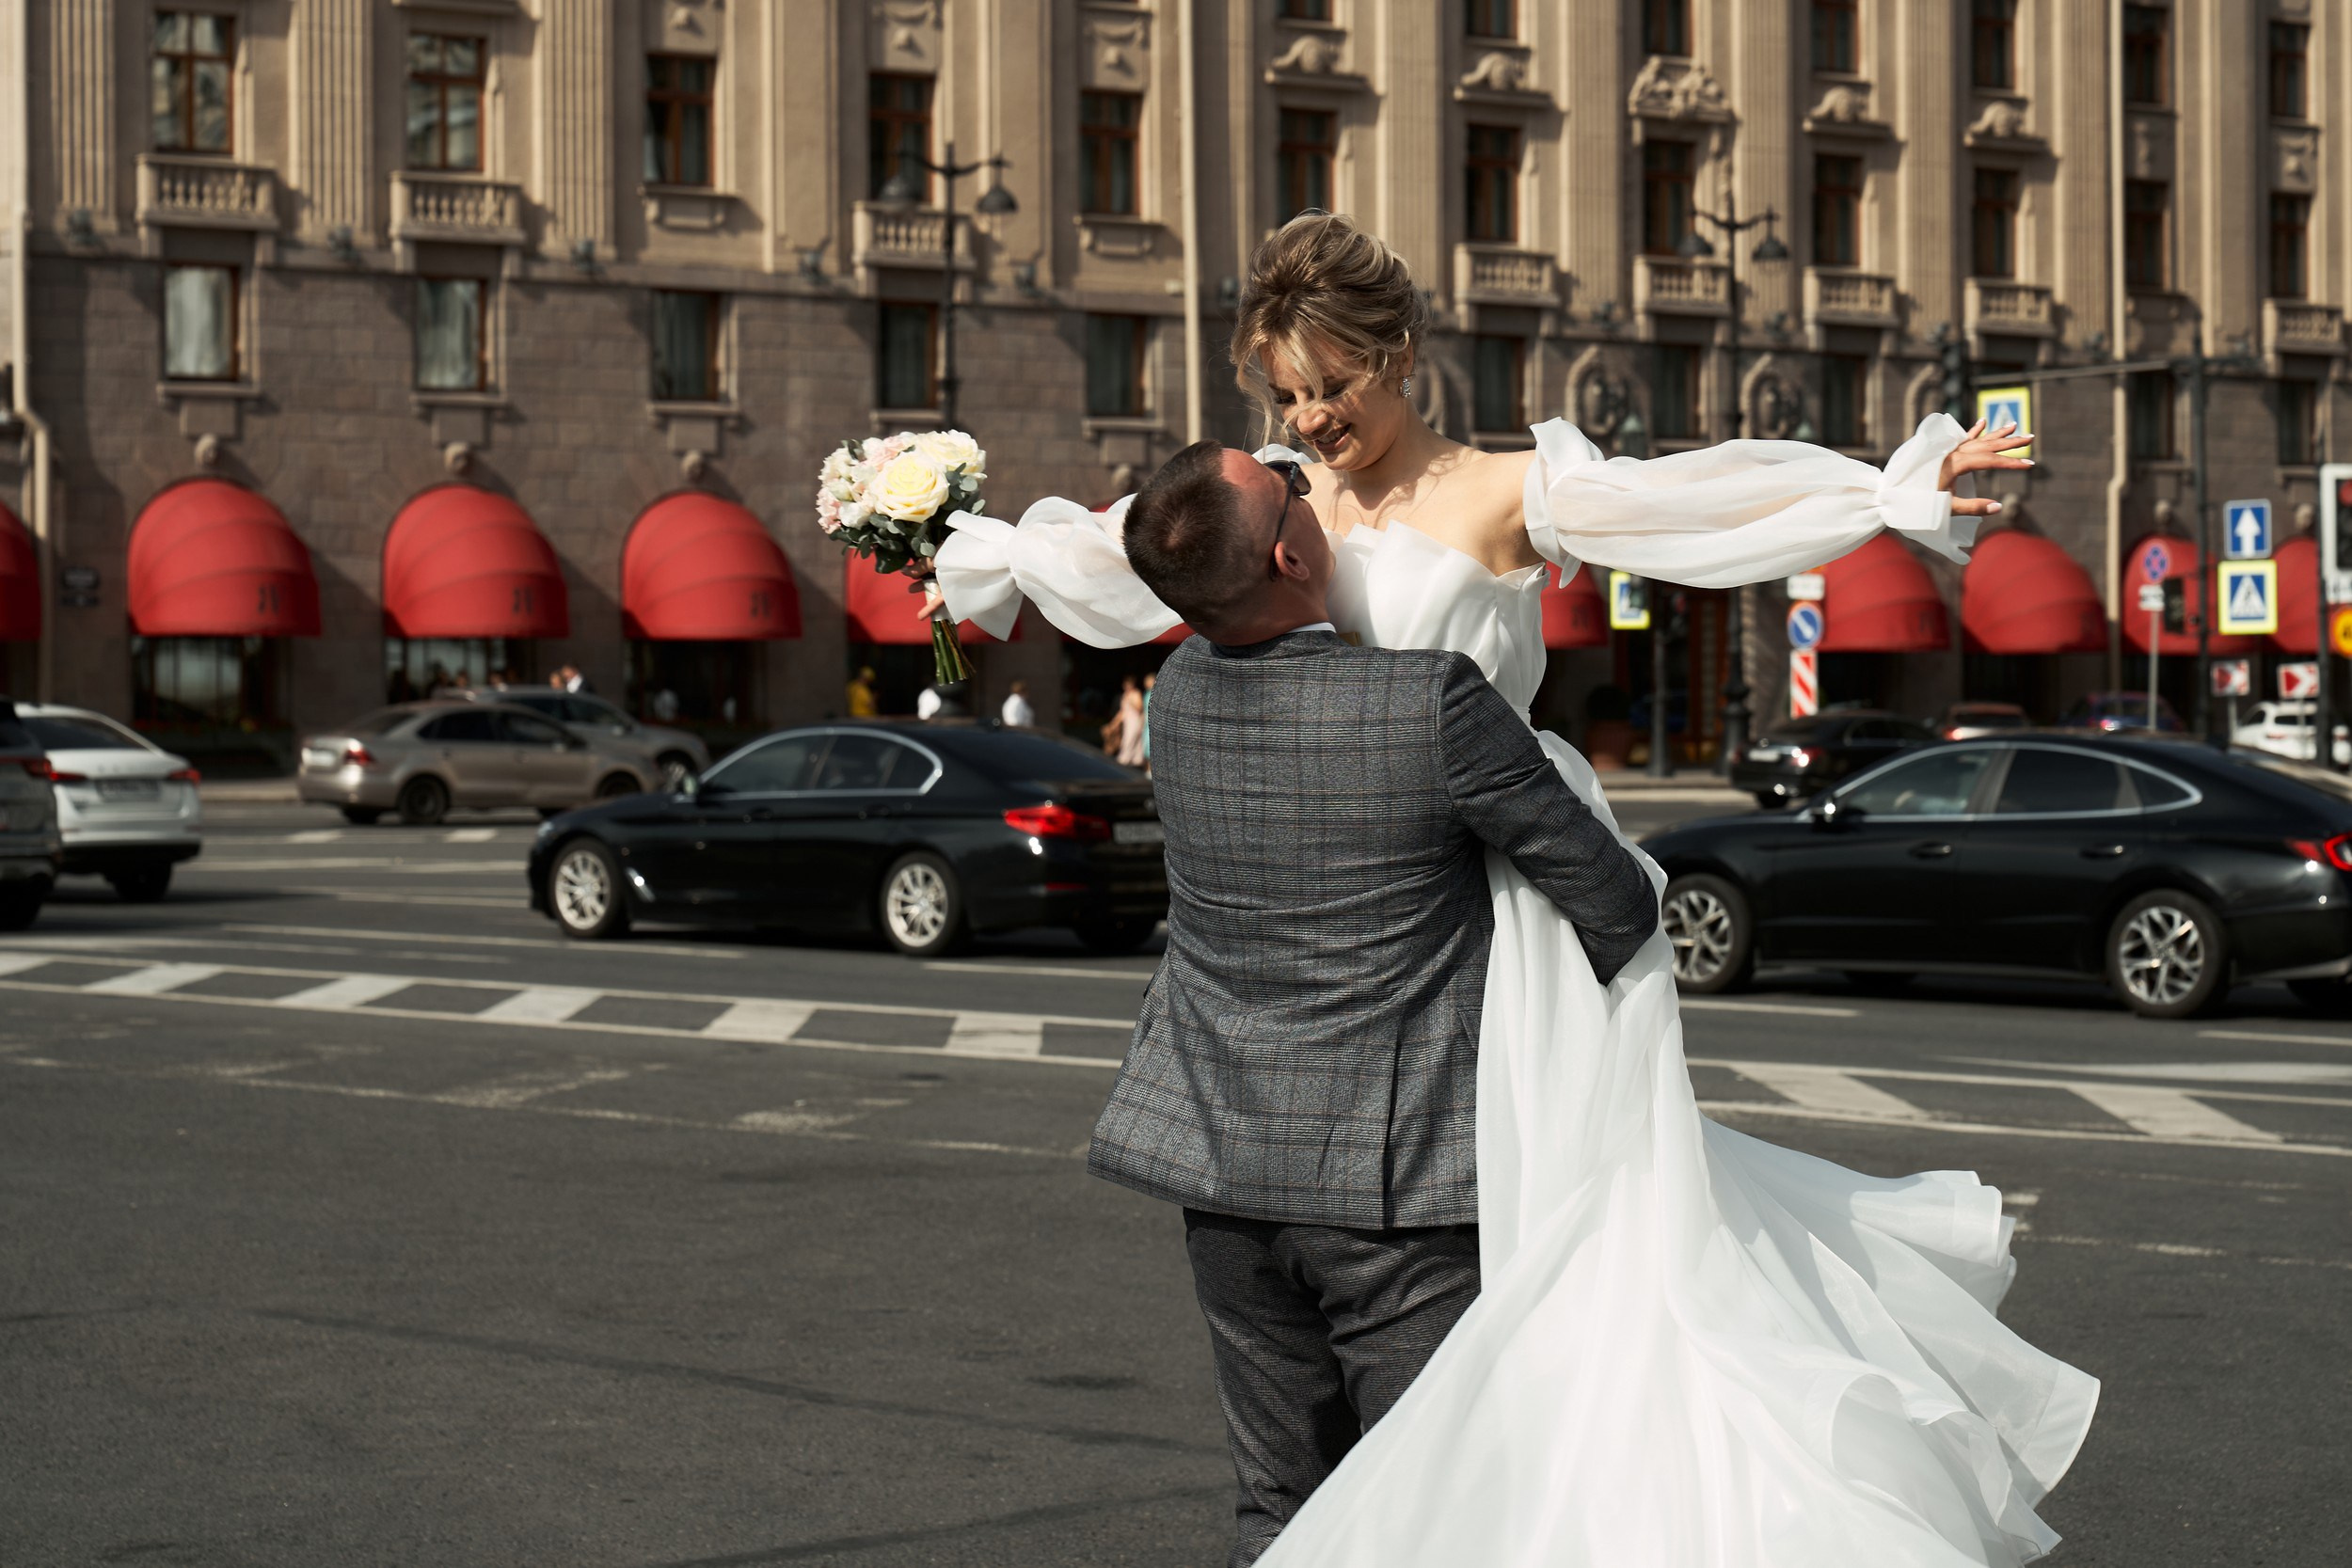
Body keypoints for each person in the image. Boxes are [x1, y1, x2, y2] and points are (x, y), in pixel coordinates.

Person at [932, 212, 2090, 1568]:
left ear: (1402, 355)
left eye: (1334, 386)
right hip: (1349, 921)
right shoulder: (1272, 502)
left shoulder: (1500, 488)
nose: (1313, 418)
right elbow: (1121, 553)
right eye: (1287, 395)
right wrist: (956, 539)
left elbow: (1694, 499)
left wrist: (1882, 491)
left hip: (1502, 913)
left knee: (1563, 1267)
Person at [1098, 444, 1657, 1564]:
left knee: (1277, 1504)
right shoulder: (1429, 698)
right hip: (1395, 1185)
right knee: (1431, 1503)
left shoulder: (1182, 694)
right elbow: (1611, 898)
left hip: (1220, 1167)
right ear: (1295, 552)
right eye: (1287, 485)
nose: (1302, 473)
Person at [1103, 675, 1147, 766]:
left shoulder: (1136, 693)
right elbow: (1122, 712)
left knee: (1129, 740)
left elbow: (1139, 708)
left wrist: (1131, 701)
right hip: (1127, 721)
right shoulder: (1124, 695)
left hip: (1135, 721)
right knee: (1130, 740)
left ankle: (1125, 760)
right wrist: (1114, 723)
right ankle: (1135, 760)